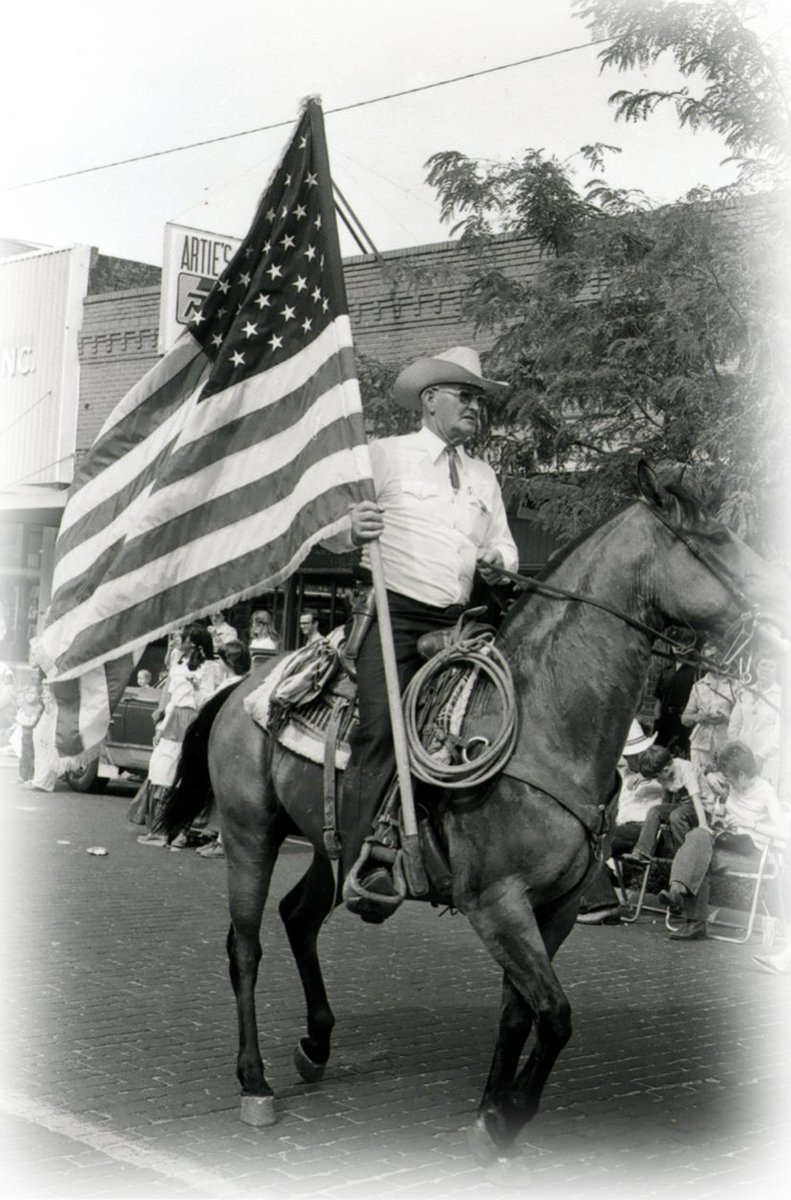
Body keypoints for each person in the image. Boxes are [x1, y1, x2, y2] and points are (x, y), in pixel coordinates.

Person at [328, 346, 519, 905]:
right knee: (381, 729)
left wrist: (499, 561)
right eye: (465, 396)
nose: (475, 407)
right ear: (430, 399)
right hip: (396, 615)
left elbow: (505, 544)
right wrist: (351, 526)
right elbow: (331, 526)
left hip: (464, 623)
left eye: (479, 399)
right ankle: (361, 866)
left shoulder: (484, 475)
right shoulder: (384, 455)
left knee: (501, 722)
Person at [660, 740, 786, 941]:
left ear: (742, 775)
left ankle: (686, 907)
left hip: (752, 852)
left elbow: (785, 833)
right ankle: (680, 895)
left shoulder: (766, 793)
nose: (728, 782)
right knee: (698, 835)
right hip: (730, 843)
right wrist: (710, 776)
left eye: (730, 778)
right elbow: (707, 774)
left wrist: (751, 824)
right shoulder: (733, 787)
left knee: (698, 854)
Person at [138, 625, 223, 846]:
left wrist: (196, 688)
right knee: (162, 769)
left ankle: (179, 832)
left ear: (192, 643)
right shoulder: (177, 660)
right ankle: (161, 828)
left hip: (192, 719)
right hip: (174, 718)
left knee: (184, 773)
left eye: (181, 637)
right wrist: (161, 726)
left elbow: (209, 698)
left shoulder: (210, 666)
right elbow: (172, 697)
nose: (176, 640)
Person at [576, 720, 663, 924]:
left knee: (594, 844)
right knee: (586, 842)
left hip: (645, 829)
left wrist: (648, 777)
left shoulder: (657, 766)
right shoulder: (625, 772)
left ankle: (604, 904)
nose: (627, 759)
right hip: (624, 827)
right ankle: (596, 897)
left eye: (631, 755)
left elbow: (673, 781)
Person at [193, 639, 253, 859]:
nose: (218, 662)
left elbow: (205, 704)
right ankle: (219, 838)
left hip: (228, 745)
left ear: (230, 661)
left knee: (226, 795)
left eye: (220, 659)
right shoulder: (239, 682)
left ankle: (224, 842)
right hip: (229, 743)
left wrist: (197, 688)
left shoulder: (232, 685)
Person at [622, 744, 706, 863]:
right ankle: (643, 852)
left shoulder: (686, 770)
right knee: (654, 811)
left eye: (657, 777)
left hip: (703, 808)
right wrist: (663, 812)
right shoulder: (664, 771)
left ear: (665, 769)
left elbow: (697, 800)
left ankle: (686, 856)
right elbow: (667, 793)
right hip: (683, 807)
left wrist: (703, 825)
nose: (657, 779)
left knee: (676, 816)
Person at [727, 655, 782, 788]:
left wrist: (760, 756)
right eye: (763, 665)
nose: (766, 669)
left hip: (768, 760)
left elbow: (779, 732)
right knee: (741, 793)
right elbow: (734, 724)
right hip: (743, 757)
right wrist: (736, 750)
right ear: (756, 668)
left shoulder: (782, 696)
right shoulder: (745, 691)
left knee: (763, 793)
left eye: (771, 667)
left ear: (777, 671)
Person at [680, 654, 737, 779]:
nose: (713, 662)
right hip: (700, 744)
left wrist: (725, 718)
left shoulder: (734, 687)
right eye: (709, 659)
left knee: (720, 779)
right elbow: (684, 719)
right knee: (699, 779)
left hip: (723, 744)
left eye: (717, 658)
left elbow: (741, 720)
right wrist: (698, 717)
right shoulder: (698, 686)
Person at [653, 648, 697, 755]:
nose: (681, 655)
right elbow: (658, 696)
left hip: (681, 720)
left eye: (684, 653)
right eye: (678, 653)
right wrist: (657, 717)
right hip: (664, 718)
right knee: (657, 751)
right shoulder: (667, 670)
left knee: (678, 752)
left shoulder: (694, 672)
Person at [16, 684, 43, 783]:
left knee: (32, 755)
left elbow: (31, 722)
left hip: (33, 736)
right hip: (25, 735)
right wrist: (24, 720)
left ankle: (32, 775)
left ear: (39, 695)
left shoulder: (39, 707)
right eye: (27, 693)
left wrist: (24, 720)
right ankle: (22, 775)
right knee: (24, 754)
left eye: (32, 693)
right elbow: (18, 718)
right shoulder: (24, 706)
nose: (29, 695)